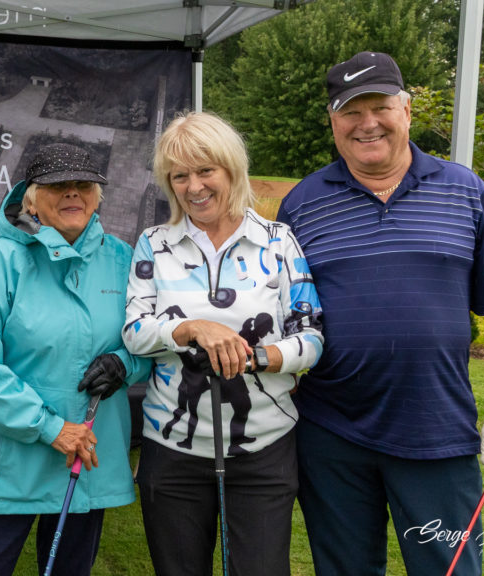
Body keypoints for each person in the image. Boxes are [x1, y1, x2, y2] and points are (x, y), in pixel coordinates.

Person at [276, 51, 484, 575]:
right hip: (331, 434)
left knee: (448, 568)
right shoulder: (301, 204)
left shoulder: (465, 191)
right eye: (351, 111)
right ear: (332, 121)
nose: (367, 123)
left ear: (407, 110)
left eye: (380, 107)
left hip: (436, 432)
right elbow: (280, 312)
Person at [123, 111, 324, 576]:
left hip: (263, 450)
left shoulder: (278, 241)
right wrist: (190, 329)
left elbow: (312, 338)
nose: (194, 187)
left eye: (205, 170)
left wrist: (252, 358)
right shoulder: (154, 243)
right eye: (180, 176)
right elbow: (134, 332)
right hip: (171, 450)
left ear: (232, 169)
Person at [0, 143, 152, 576]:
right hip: (8, 462)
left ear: (97, 197)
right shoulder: (0, 261)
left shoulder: (123, 259)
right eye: (59, 185)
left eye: (84, 185)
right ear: (31, 200)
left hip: (86, 458)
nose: (73, 192)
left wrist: (125, 364)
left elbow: (150, 340)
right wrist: (50, 428)